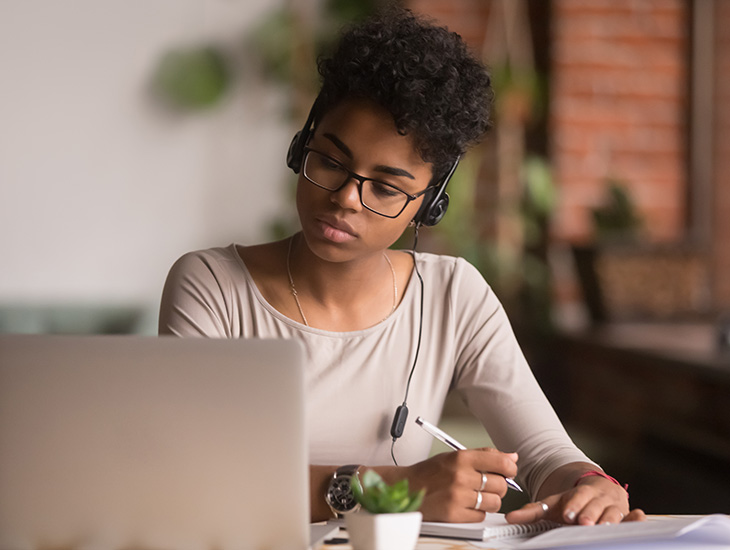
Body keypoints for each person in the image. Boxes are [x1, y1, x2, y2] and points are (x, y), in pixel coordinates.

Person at [159, 8, 645, 526]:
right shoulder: (212, 286)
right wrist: (394, 487)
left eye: (386, 188)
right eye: (329, 161)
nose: (346, 198)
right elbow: (194, 474)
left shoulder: (453, 295)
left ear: (428, 205)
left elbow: (545, 453)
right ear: (302, 146)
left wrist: (591, 487)